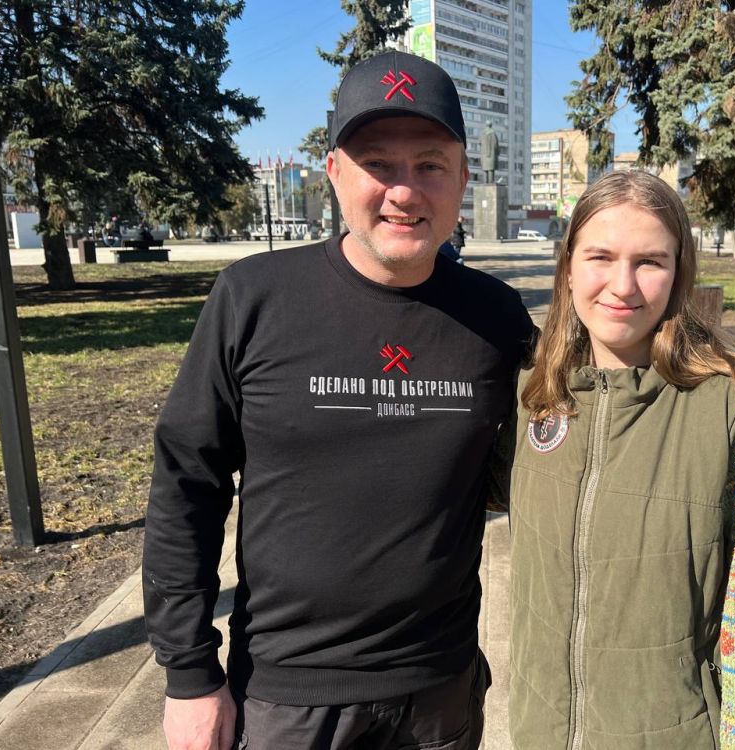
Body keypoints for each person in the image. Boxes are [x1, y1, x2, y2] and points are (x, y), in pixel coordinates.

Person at [142, 50, 534, 750]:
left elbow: (585, 413)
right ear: (334, 172)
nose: (404, 192)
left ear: (463, 179)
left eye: (430, 165)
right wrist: (190, 673)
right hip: (287, 698)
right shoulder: (253, 298)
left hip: (439, 693)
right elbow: (185, 485)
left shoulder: (497, 318)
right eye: (377, 163)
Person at [505, 171, 735, 749]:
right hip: (540, 727)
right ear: (569, 268)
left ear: (678, 273)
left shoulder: (730, 414)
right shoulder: (532, 395)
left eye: (649, 261)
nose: (623, 285)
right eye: (600, 257)